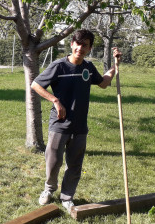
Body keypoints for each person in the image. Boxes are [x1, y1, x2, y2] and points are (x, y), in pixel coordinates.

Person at [31, 29, 122, 213]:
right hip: (59, 124)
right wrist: (55, 101)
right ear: (72, 44)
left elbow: (103, 83)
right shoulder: (59, 66)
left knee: (74, 164)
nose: (80, 48)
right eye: (77, 44)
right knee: (53, 161)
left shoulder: (87, 68)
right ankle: (49, 190)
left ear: (89, 48)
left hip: (80, 126)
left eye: (85, 45)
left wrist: (116, 65)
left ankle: (67, 197)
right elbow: (35, 84)